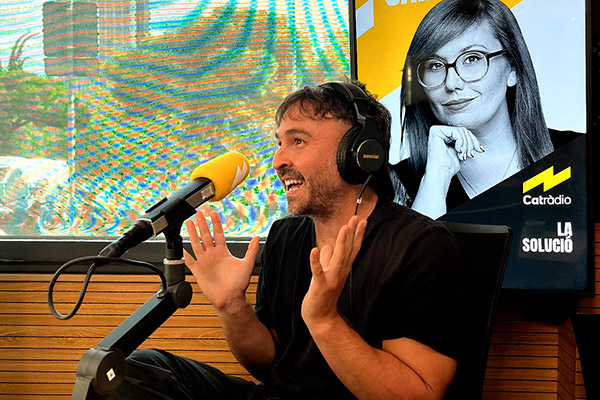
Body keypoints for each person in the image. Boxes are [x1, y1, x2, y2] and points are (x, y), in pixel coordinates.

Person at [108, 80, 465, 400]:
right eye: (280, 143)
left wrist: (324, 320)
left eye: (298, 141)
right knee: (130, 371)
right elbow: (272, 364)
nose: (278, 160)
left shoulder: (419, 247)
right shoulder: (285, 236)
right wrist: (232, 306)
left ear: (360, 152)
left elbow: (418, 393)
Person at [390, 0, 577, 219]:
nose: (451, 83)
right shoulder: (399, 182)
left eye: (472, 58)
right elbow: (419, 243)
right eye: (435, 65)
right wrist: (435, 180)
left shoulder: (576, 154)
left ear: (512, 69)